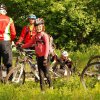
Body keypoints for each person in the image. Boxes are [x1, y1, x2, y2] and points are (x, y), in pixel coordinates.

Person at [22, 18, 53, 91]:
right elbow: (30, 43)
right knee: (41, 74)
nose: (38, 28)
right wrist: (21, 46)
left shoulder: (44, 35)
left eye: (39, 26)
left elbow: (47, 47)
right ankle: (42, 90)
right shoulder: (35, 36)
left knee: (46, 73)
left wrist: (45, 58)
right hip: (39, 57)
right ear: (35, 27)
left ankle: (51, 87)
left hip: (45, 57)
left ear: (42, 26)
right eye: (36, 26)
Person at [0, 3, 16, 74]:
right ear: (5, 11)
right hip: (6, 41)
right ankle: (9, 79)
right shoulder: (9, 19)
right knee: (8, 61)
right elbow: (13, 33)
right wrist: (11, 40)